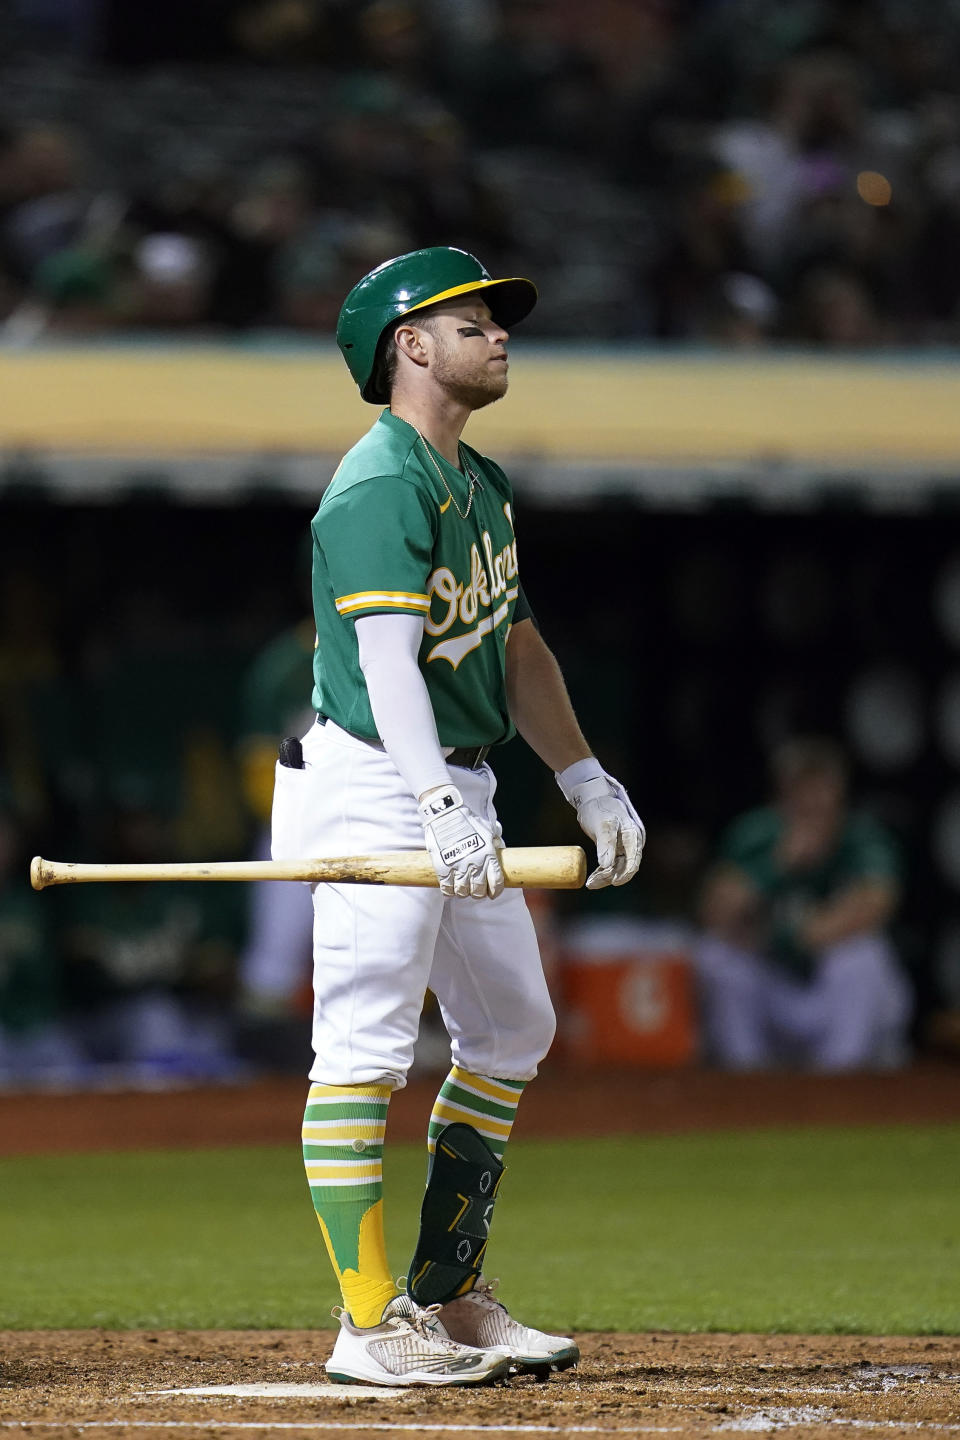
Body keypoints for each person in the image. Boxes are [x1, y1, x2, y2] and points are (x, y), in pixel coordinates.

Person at [270, 246, 645, 1388]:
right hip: (377, 775)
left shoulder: (477, 483)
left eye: (494, 318)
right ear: (408, 346)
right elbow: (387, 662)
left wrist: (584, 775)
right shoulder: (382, 481)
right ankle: (369, 1321)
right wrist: (434, 799)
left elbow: (514, 641)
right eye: (469, 319)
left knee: (514, 1029)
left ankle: (447, 1291)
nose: (498, 333)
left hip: (452, 776)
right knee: (365, 1047)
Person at [696, 737, 910, 1071]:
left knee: (862, 957)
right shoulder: (758, 834)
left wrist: (790, 935)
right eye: (801, 790)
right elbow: (715, 911)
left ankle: (843, 1082)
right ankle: (745, 1083)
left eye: (820, 790)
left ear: (839, 794)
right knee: (716, 956)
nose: (811, 802)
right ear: (782, 795)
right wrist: (777, 866)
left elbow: (877, 902)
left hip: (829, 996)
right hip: (775, 991)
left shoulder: (861, 837)